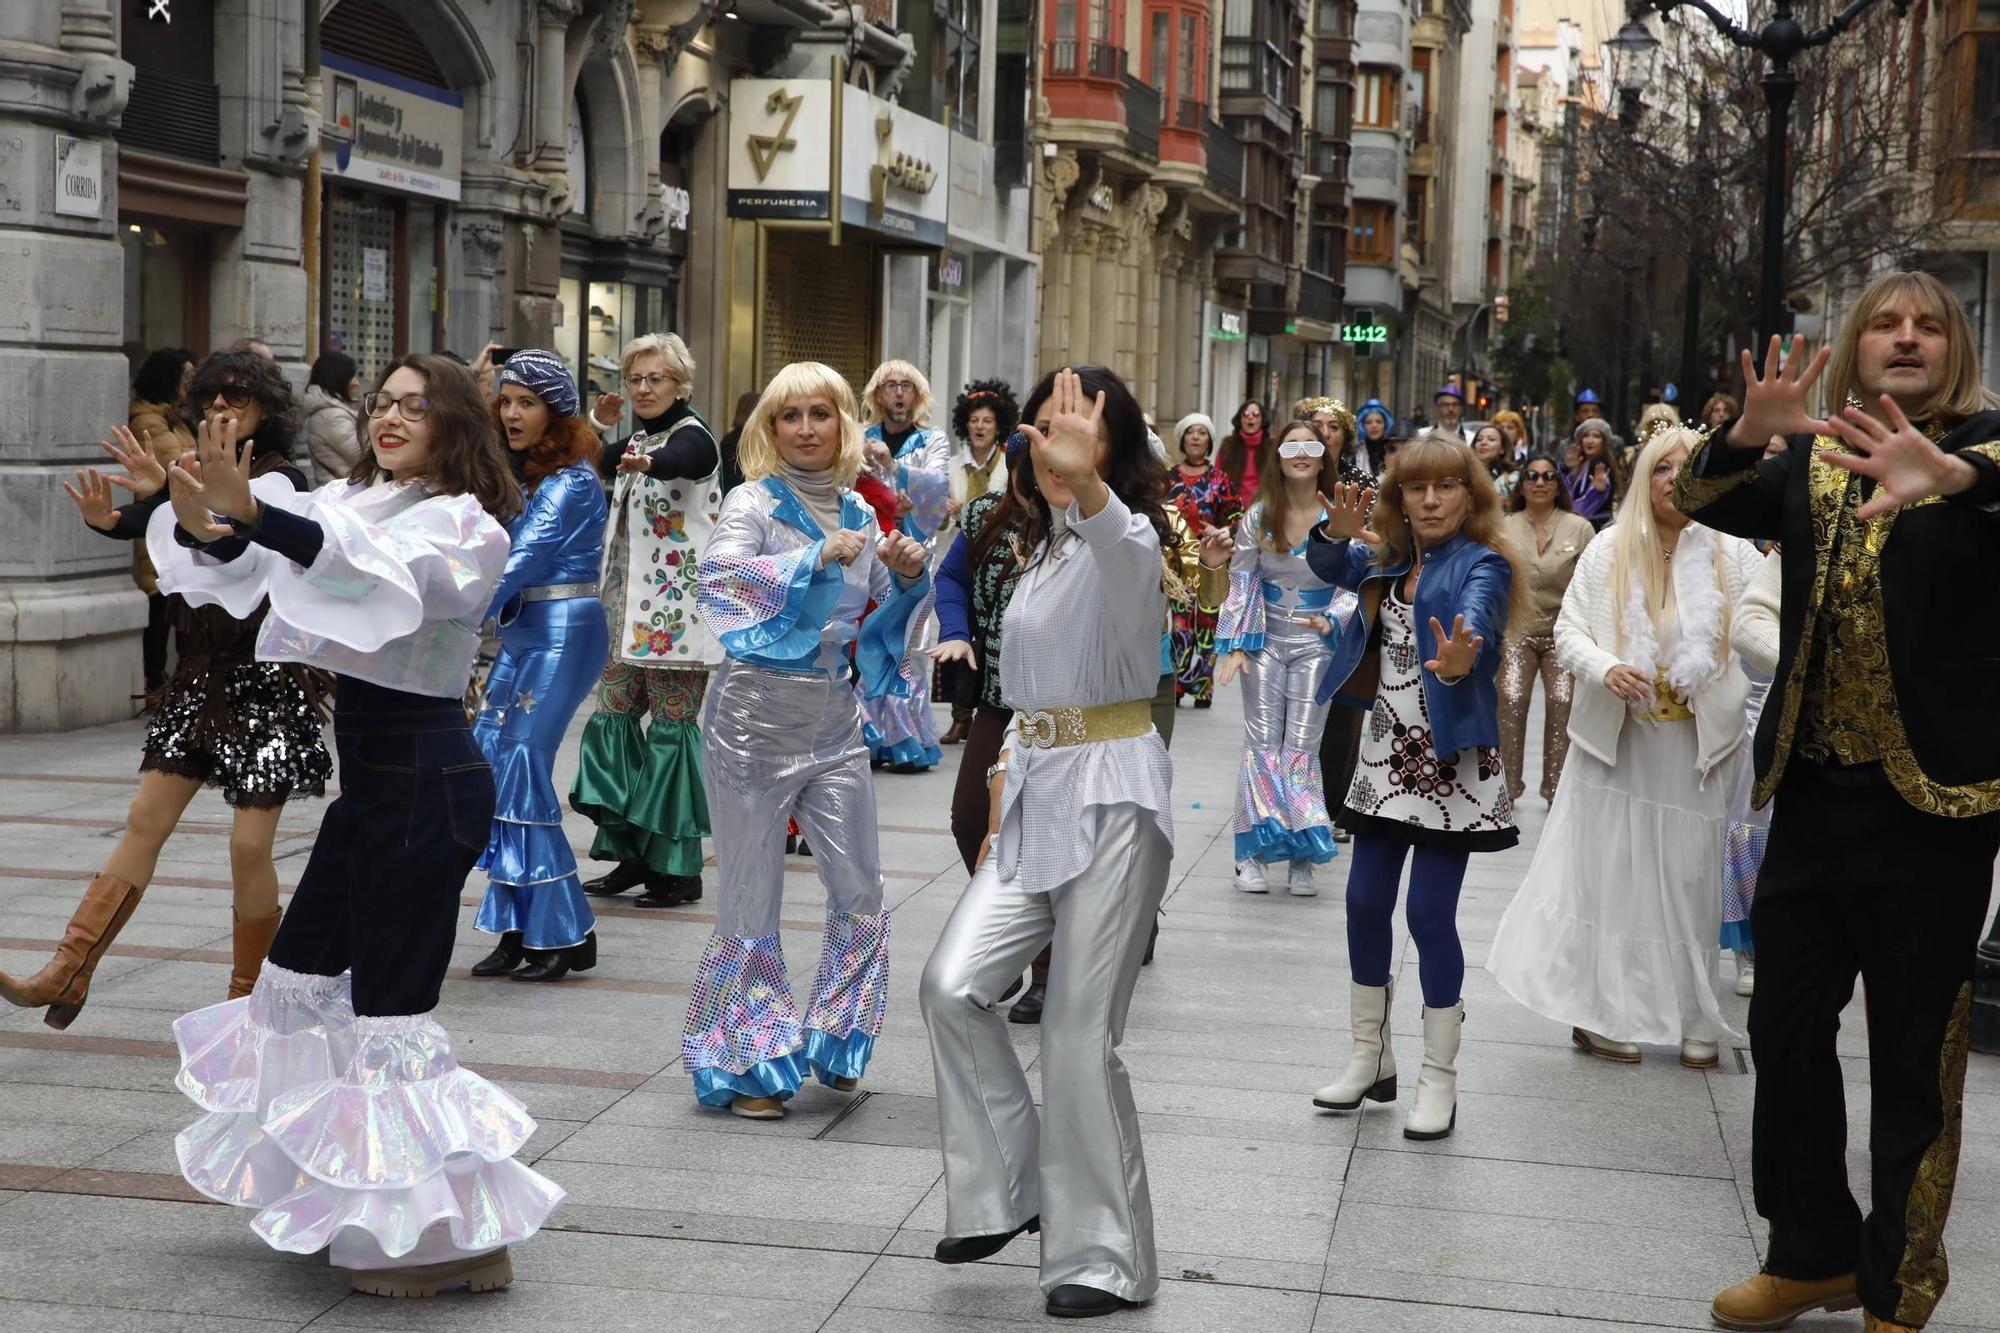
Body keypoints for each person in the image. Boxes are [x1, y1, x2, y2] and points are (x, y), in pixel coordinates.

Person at [152, 352, 563, 1298]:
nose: (389, 417)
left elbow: (359, 567)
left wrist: (257, 514)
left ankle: (446, 1241)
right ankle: (343, 1195)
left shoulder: (466, 527)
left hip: (430, 782)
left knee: (391, 1016)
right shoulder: (360, 502)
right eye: (383, 401)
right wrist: (185, 508)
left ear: (454, 423)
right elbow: (259, 556)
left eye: (414, 406)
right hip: (372, 789)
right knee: (295, 985)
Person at [1676, 271, 2000, 1333]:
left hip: (1935, 814)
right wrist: (1735, 439)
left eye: (1925, 326)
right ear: (1854, 346)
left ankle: (1895, 1286)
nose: (1904, 339)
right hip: (1812, 798)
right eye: (1884, 325)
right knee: (1780, 1028)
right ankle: (1807, 1248)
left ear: (1953, 348)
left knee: (1914, 1055)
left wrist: (1949, 475)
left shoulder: (1990, 449)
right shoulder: (1814, 455)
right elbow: (1693, 500)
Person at [919, 364, 1176, 1320]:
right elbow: (1019, 705)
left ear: (1113, 446)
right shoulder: (1038, 547)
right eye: (1042, 429)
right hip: (1033, 792)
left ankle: (1104, 1258)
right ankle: (1009, 1189)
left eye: (1078, 429)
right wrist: (994, 802)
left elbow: (1125, 545)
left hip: (1114, 796)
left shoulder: (1130, 536)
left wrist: (1096, 486)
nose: (1053, 443)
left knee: (1076, 1034)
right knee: (951, 985)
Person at [3, 353, 331, 1028]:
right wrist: (122, 515)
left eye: (240, 398)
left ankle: (251, 1002)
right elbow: (167, 523)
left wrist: (172, 498)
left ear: (267, 410)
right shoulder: (192, 470)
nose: (224, 408)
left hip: (265, 683)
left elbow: (227, 541)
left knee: (248, 847)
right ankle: (67, 969)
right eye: (212, 397)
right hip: (201, 676)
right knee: (144, 821)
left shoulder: (282, 481)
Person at [685, 361, 930, 1119]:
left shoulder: (859, 506)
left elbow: (891, 618)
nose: (805, 429)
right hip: (751, 717)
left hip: (833, 716)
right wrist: (807, 559)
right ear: (769, 428)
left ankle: (838, 1034)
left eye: (819, 413)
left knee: (860, 885)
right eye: (788, 416)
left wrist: (909, 572)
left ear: (841, 424)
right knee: (751, 893)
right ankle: (750, 1060)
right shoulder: (751, 501)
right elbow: (719, 578)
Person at [1489, 424, 1761, 1071]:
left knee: (1693, 879)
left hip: (1696, 748)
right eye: (1661, 469)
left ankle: (1696, 1016)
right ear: (1644, 478)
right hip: (1617, 741)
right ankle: (1604, 1013)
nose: (1673, 480)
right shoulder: (1611, 548)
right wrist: (1607, 667)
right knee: (1610, 876)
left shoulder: (1731, 550)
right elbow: (1571, 629)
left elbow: (1759, 621)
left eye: (1686, 467)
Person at [1303, 435, 1518, 1142]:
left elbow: (1481, 614)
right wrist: (1333, 530)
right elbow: (1331, 562)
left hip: (1450, 764)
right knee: (1364, 900)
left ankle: (1439, 1077)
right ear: (1398, 497)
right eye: (1415, 488)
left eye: (1446, 487)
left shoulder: (1482, 563)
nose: (1430, 500)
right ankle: (1371, 1056)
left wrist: (1461, 660)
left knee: (1428, 914)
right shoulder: (1387, 560)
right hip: (1384, 757)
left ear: (1470, 495)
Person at [465, 351, 610, 982]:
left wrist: (455, 614)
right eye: (505, 401)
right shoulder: (516, 475)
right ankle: (519, 924)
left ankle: (562, 929)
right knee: (488, 754)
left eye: (527, 401)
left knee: (521, 758)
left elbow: (521, 557)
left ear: (555, 409)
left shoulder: (572, 481)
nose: (513, 412)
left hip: (566, 629)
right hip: (522, 630)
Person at [570, 334, 723, 909]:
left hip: (678, 616)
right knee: (611, 720)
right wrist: (594, 423)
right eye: (636, 379)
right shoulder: (636, 435)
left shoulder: (692, 436)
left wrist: (649, 463)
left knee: (670, 733)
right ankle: (631, 854)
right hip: (625, 612)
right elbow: (579, 462)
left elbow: (689, 461)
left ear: (681, 384)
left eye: (656, 379)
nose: (644, 389)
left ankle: (678, 870)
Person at [1209, 419, 1345, 896]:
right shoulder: (1260, 514)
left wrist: (1338, 620)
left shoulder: (1340, 514)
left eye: (1312, 445)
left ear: (1324, 455)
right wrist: (1234, 645)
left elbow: (1359, 578)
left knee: (1302, 748)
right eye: (1292, 446)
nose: (1302, 454)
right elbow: (1242, 579)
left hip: (1318, 646)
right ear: (1279, 456)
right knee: (1262, 744)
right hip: (1265, 641)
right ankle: (1251, 854)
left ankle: (1301, 855)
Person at [857, 359, 952, 772]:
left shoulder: (933, 439)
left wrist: (896, 470)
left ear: (917, 395)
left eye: (906, 386)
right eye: (890, 386)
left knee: (909, 645)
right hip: (869, 553)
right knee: (871, 636)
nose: (898, 393)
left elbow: (937, 490)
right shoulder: (860, 438)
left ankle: (907, 737)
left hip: (916, 555)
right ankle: (872, 736)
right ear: (878, 396)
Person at [1497, 451, 1597, 803]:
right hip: (1517, 627)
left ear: (1558, 484)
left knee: (1562, 698)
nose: (1540, 482)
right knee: (1511, 696)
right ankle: (1505, 789)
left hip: (1562, 631)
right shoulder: (1504, 526)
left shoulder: (1579, 527)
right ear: (1522, 484)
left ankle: (1557, 790)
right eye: (1532, 476)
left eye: (1549, 476)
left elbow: (1591, 585)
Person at [938, 380, 1017, 745]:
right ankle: (960, 715)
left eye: (987, 420)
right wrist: (944, 513)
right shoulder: (953, 466)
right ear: (964, 425)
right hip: (961, 553)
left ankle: (989, 709)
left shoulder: (1010, 464)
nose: (980, 427)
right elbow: (934, 521)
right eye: (974, 421)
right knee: (961, 635)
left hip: (1000, 562)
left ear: (999, 425)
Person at [1722, 545, 1782, 997]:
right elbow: (1749, 628)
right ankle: (1752, 948)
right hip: (1767, 708)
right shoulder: (1780, 547)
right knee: (1752, 827)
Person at [127, 348, 197, 694]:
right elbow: (180, 464)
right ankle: (155, 681)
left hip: (177, 521)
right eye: (186, 378)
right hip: (158, 522)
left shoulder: (175, 418)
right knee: (158, 604)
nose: (190, 386)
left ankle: (170, 679)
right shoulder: (149, 421)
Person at [1166, 411, 1241, 707]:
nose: (1196, 437)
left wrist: (1219, 529)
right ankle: (1176, 684)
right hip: (1176, 566)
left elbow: (1238, 519)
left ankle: (1203, 686)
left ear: (1209, 440)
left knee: (1207, 624)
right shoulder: (1168, 478)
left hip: (1210, 563)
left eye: (1202, 433)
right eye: (1190, 432)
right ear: (1182, 439)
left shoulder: (1220, 480)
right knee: (1179, 625)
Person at [301, 351, 363, 485]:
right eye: (351, 377)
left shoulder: (330, 411)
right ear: (339, 379)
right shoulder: (331, 417)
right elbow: (363, 455)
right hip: (345, 495)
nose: (356, 383)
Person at [1566, 417, 1622, 528]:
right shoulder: (1583, 464)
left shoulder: (1599, 464)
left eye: (1596, 436)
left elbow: (1586, 505)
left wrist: (1600, 491)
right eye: (1586, 436)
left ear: (1604, 442)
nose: (1590, 441)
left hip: (1595, 526)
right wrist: (1570, 469)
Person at [1217, 399, 1268, 504]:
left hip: (1263, 510)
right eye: (1245, 414)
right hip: (1231, 510)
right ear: (1240, 419)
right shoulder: (1228, 444)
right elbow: (1217, 477)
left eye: (1256, 414)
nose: (1250, 417)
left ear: (1262, 420)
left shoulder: (1272, 446)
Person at [1472, 423, 1516, 497]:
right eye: (1479, 439)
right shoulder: (1465, 473)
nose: (1483, 443)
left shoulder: (1513, 477)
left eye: (1491, 439)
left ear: (1503, 448)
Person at [1353, 399, 1393, 478]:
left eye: (1379, 422)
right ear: (1362, 426)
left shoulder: (1392, 451)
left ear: (1385, 425)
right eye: (1368, 422)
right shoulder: (1355, 453)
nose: (1374, 426)